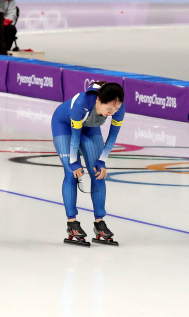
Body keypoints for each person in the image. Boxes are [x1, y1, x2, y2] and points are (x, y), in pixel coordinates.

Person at [51, 82, 125, 247]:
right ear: (98, 100)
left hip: (90, 127)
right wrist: (74, 162)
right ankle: (72, 223)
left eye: (116, 109)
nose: (112, 113)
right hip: (65, 126)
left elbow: (112, 136)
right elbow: (75, 137)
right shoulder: (81, 104)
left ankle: (99, 223)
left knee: (98, 172)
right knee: (72, 172)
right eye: (109, 109)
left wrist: (102, 160)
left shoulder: (119, 106)